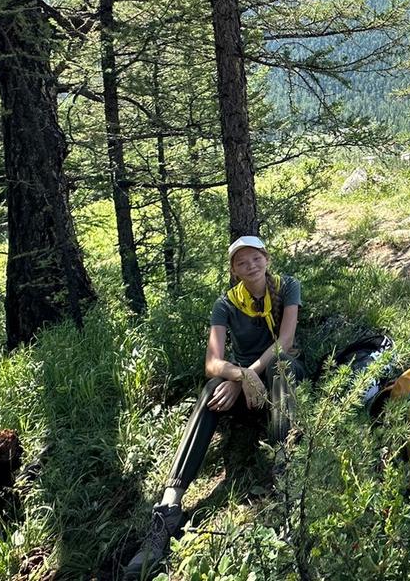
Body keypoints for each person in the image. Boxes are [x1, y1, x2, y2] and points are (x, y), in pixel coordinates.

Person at [126, 235, 304, 577]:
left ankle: (285, 474)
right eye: (241, 262)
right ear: (234, 270)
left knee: (283, 368)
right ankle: (169, 505)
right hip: (245, 381)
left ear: (266, 259)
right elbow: (212, 363)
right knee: (210, 388)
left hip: (279, 377)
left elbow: (285, 342)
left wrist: (247, 376)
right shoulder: (225, 304)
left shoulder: (288, 287)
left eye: (255, 258)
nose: (250, 266)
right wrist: (238, 378)